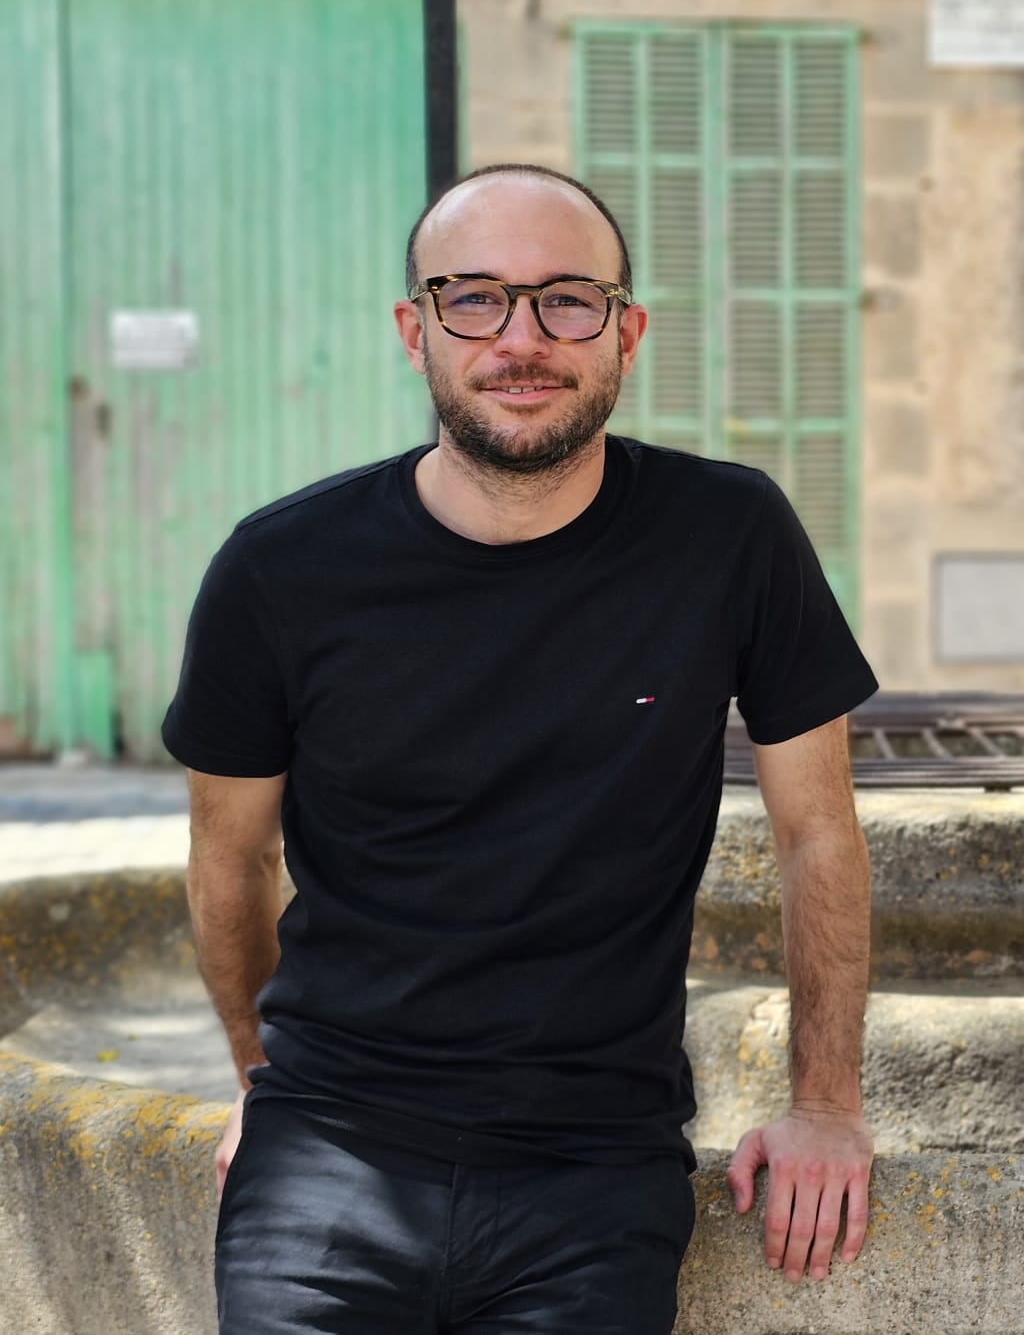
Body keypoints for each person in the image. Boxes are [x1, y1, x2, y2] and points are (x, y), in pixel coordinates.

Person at [165, 163, 880, 1334]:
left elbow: (816, 833)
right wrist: (263, 1083)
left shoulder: (729, 535)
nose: (521, 337)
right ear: (416, 330)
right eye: (474, 299)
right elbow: (227, 861)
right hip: (332, 1149)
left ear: (624, 332)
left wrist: (825, 1104)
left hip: (594, 1159)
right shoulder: (279, 569)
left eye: (565, 299)